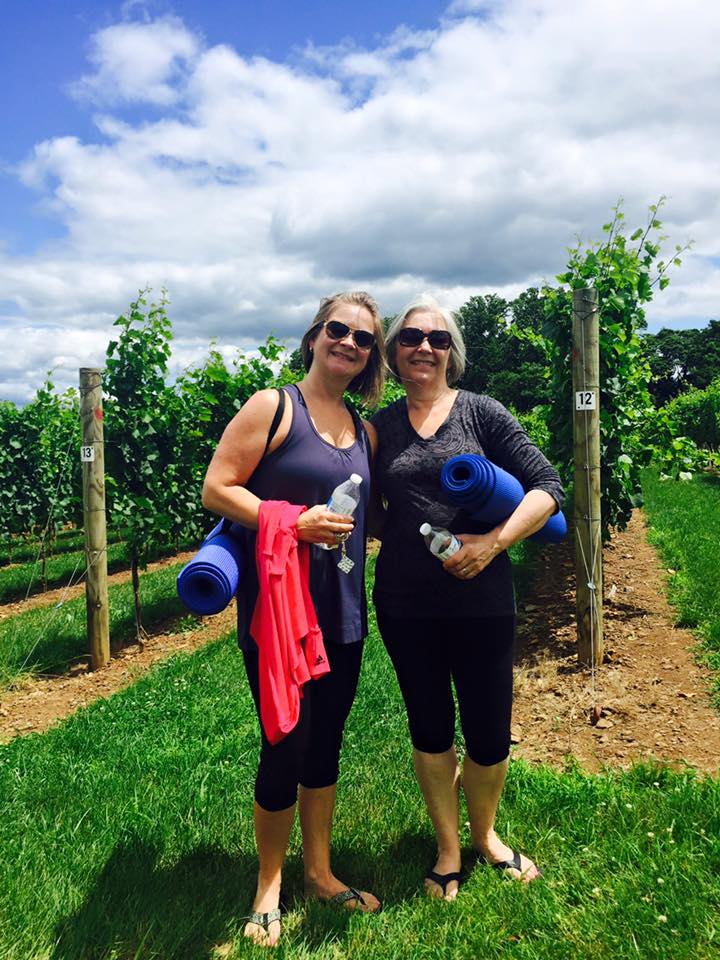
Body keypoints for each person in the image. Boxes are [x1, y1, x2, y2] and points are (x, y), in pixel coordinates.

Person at [202, 292, 385, 946]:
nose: (349, 343)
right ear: (315, 336)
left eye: (363, 339)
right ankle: (269, 884)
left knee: (326, 743)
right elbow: (217, 487)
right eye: (339, 330)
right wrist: (290, 520)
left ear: (370, 356)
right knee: (286, 743)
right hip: (281, 616)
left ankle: (320, 872)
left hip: (342, 615)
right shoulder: (273, 407)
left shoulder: (363, 429)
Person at [370, 293, 564, 900]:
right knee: (429, 729)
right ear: (393, 352)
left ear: (452, 353)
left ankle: (487, 835)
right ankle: (449, 849)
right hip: (405, 602)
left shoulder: (482, 414)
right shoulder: (377, 428)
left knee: (488, 734)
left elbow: (548, 486)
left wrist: (493, 542)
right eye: (410, 338)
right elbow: (369, 509)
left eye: (437, 339)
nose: (423, 347)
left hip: (483, 603)